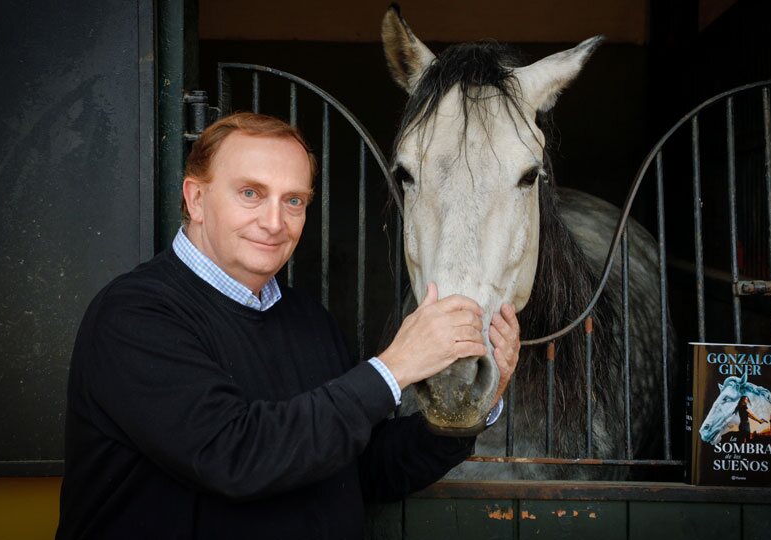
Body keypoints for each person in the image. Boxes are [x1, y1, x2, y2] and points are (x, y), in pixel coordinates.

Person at [55, 112, 521, 539]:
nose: (274, 222)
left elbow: (367, 469)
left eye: (293, 200)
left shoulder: (308, 320)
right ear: (196, 199)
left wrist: (471, 407)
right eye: (251, 193)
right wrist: (393, 368)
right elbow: (236, 456)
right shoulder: (134, 316)